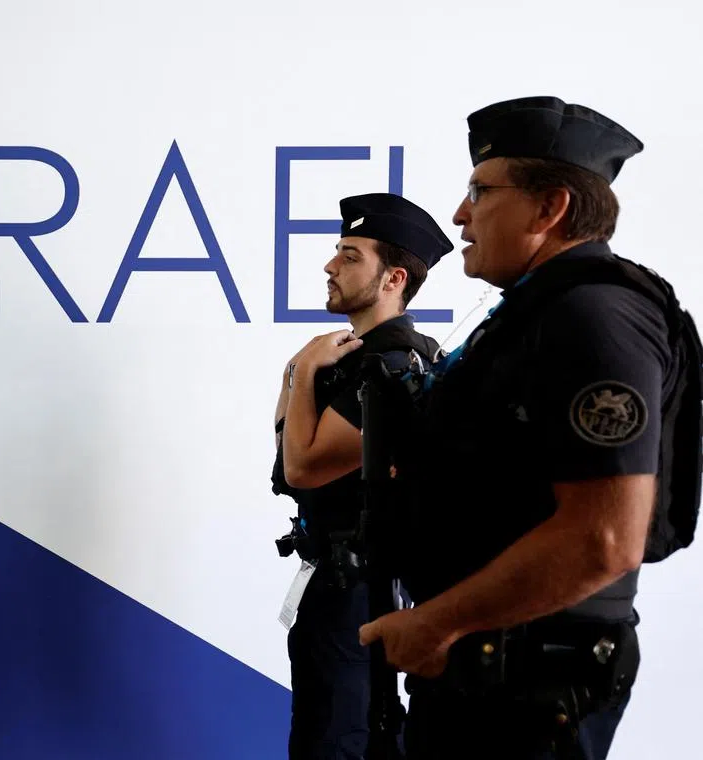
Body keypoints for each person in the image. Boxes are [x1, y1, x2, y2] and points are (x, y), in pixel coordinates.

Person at [358, 96, 703, 759]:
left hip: (527, 690)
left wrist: (433, 624)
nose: (460, 214)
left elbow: (603, 538)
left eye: (481, 191)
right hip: (484, 676)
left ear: (551, 209)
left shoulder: (596, 316)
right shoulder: (530, 315)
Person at [271, 192, 453, 760]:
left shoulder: (392, 364)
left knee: (338, 741)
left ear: (393, 277)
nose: (330, 266)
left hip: (360, 589)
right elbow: (286, 456)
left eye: (350, 256)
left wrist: (301, 371)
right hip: (338, 581)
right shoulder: (351, 357)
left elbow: (300, 467)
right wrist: (300, 374)